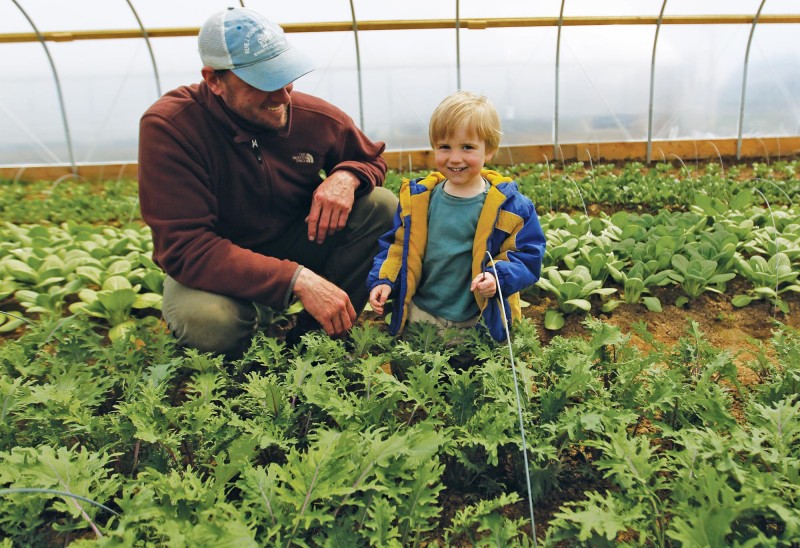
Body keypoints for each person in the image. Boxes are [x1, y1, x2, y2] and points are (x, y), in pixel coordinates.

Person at [138, 7, 398, 356]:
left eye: (284, 76)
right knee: (212, 323)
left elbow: (370, 157)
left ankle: (318, 334)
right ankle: (253, 334)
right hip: (218, 261)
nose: (282, 97)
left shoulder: (313, 116)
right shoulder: (172, 128)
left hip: (296, 239)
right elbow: (185, 247)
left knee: (381, 205)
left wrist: (347, 176)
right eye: (262, 82)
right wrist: (295, 280)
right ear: (214, 80)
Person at [367, 91, 546, 342]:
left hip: (475, 318)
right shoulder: (418, 201)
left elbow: (527, 255)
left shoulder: (511, 208)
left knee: (469, 376)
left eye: (467, 147)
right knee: (415, 373)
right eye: (445, 147)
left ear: (490, 150)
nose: (455, 158)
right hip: (421, 314)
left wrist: (497, 277)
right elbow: (397, 247)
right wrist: (385, 280)